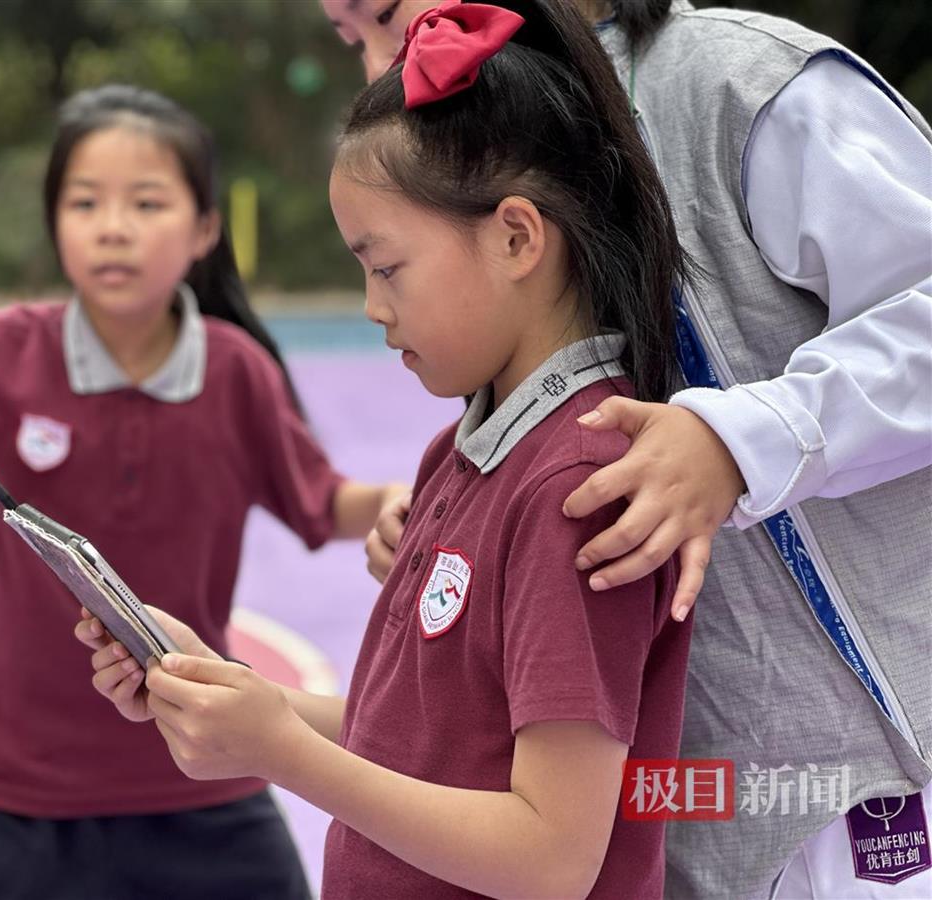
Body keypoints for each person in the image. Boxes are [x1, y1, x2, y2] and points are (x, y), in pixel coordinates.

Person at [0, 83, 403, 899]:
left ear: (204, 229)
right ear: (55, 223)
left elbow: (324, 501)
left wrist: (392, 505)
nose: (112, 226)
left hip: (199, 768)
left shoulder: (237, 374)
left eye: (146, 202)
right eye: (85, 202)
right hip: (3, 784)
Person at [80, 4, 693, 896]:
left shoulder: (578, 486)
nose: (372, 306)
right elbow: (417, 740)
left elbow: (552, 855)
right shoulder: (465, 453)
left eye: (387, 267)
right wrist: (229, 695)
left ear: (517, 237)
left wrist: (282, 753)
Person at [324, 1, 932, 896]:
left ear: (520, 234)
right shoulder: (503, 152)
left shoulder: (738, 83)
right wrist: (460, 536)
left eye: (382, 13)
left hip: (840, 798)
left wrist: (743, 439)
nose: (381, 57)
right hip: (658, 800)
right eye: (348, 38)